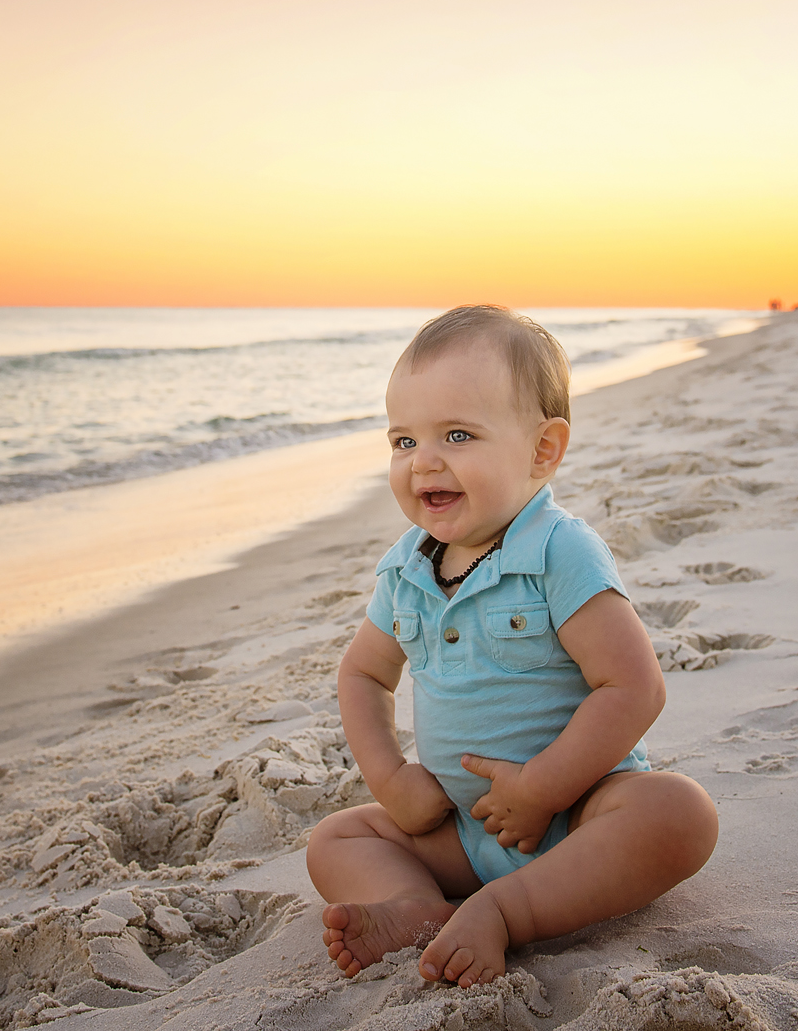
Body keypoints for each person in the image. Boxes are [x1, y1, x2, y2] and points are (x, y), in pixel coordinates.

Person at [306, 305, 720, 988]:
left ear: (542, 450)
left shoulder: (561, 552)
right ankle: (416, 910)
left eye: (458, 434)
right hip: (470, 831)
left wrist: (543, 788)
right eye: (403, 441)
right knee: (337, 839)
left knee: (679, 813)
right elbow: (364, 675)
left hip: (581, 815)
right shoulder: (405, 571)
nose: (424, 461)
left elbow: (634, 687)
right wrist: (393, 781)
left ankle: (506, 911)